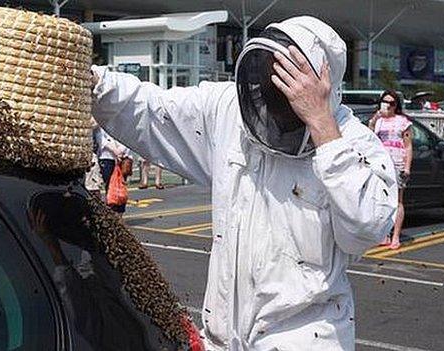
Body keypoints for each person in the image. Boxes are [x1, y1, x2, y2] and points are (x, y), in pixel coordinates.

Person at [91, 16, 397, 350]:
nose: (276, 104)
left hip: (306, 340)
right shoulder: (227, 111)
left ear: (325, 85)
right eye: (271, 86)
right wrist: (91, 80)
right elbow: (152, 111)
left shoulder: (355, 144)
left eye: (292, 91)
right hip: (223, 338)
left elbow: (366, 228)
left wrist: (323, 128)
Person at [369, 91, 413, 250]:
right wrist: (374, 119)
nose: (388, 105)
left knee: (397, 200)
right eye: (385, 101)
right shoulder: (378, 121)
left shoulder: (403, 122)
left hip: (397, 163)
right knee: (381, 199)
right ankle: (385, 235)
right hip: (381, 163)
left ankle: (396, 236)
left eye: (392, 103)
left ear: (397, 105)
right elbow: (370, 136)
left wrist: (407, 168)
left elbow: (408, 146)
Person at [97, 128, 132, 214]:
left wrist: (120, 150)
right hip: (107, 156)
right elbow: (99, 137)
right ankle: (111, 215)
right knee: (109, 186)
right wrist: (114, 150)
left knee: (121, 187)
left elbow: (129, 135)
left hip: (123, 157)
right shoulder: (101, 120)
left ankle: (119, 213)